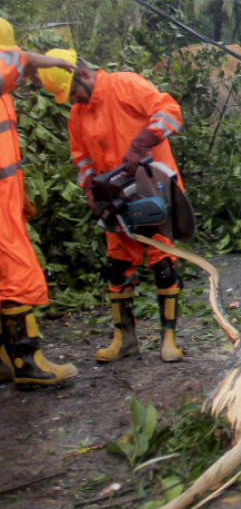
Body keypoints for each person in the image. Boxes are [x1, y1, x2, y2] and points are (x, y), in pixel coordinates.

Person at [39, 49, 186, 364]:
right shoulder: (78, 114)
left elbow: (170, 110)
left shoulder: (124, 85)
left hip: (152, 189)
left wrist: (142, 141)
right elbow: (81, 158)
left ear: (84, 74)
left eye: (74, 93)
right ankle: (125, 339)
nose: (73, 100)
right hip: (115, 199)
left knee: (162, 265)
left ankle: (169, 339)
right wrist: (90, 187)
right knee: (117, 267)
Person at [0, 18, 79, 387]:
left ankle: (6, 357)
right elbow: (15, 63)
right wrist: (49, 63)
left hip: (6, 197)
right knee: (17, 276)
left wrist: (18, 195)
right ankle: (27, 363)